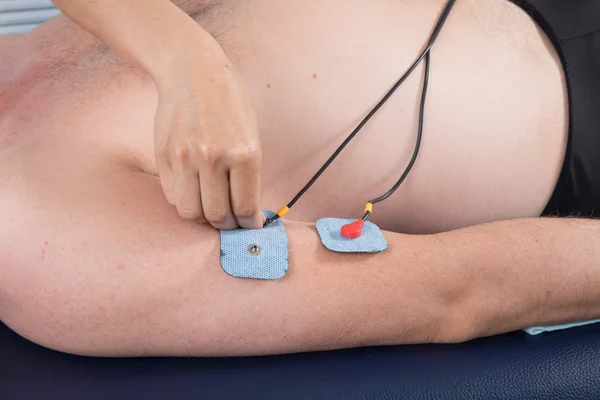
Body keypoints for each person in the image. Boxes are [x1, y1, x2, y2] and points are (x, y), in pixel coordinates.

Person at [0, 0, 598, 357]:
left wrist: (188, 60)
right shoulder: (41, 245)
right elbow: (462, 291)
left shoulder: (26, 53)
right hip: (575, 119)